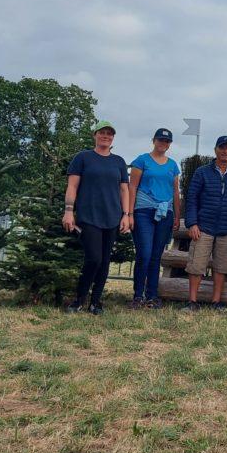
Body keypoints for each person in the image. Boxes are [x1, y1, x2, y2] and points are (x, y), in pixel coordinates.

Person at [62, 120, 130, 314]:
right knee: (94, 259)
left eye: (109, 133)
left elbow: (124, 190)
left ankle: (96, 302)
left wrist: (126, 215)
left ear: (113, 138)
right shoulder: (83, 158)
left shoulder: (118, 161)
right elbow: (72, 186)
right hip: (88, 216)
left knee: (105, 261)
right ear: (95, 135)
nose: (106, 136)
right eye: (102, 132)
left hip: (112, 217)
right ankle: (79, 299)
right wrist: (68, 210)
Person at [184, 135, 227, 311]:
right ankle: (192, 302)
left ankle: (216, 302)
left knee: (222, 266)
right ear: (215, 150)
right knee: (196, 265)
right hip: (203, 227)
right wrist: (192, 223)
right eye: (222, 147)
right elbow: (192, 199)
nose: (225, 151)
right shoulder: (202, 172)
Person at [128, 128, 181, 310]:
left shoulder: (173, 165)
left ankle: (152, 295)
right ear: (153, 140)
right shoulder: (142, 160)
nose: (163, 144)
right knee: (144, 253)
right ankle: (137, 295)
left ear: (169, 144)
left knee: (156, 256)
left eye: (166, 141)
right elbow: (132, 187)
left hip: (165, 213)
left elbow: (175, 191)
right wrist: (129, 213)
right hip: (143, 210)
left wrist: (177, 215)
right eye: (160, 140)